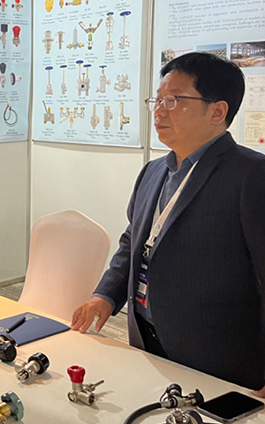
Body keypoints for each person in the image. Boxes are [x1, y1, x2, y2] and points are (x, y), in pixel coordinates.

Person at [72, 52, 265, 395]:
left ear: (217, 111)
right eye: (158, 100)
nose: (159, 111)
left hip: (219, 358)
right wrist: (106, 295)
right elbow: (133, 242)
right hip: (147, 341)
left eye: (174, 100)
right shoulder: (153, 171)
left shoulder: (251, 175)